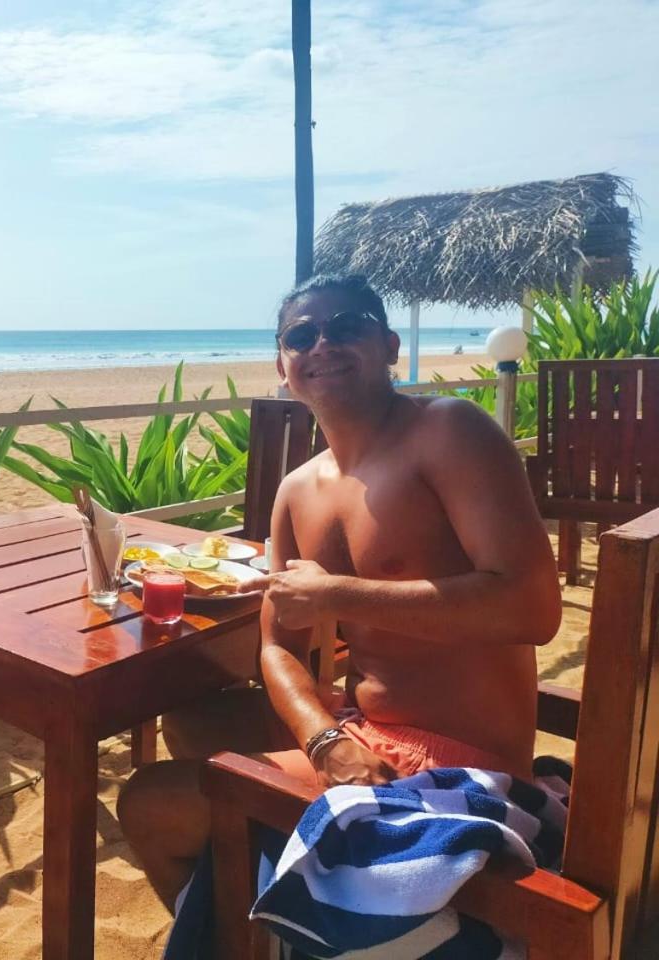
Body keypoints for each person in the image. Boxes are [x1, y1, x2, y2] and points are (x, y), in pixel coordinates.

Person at [117, 274, 561, 911]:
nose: (322, 344)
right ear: (283, 365)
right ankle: (259, 926)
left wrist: (337, 596)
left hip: (456, 765)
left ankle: (260, 927)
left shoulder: (447, 431)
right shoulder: (297, 490)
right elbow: (278, 647)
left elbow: (532, 607)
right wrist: (323, 738)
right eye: (301, 336)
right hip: (362, 727)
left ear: (389, 346)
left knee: (149, 804)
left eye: (346, 326)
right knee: (193, 721)